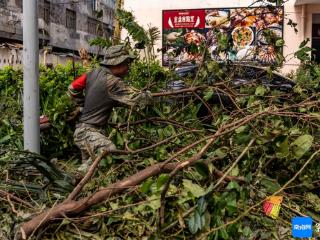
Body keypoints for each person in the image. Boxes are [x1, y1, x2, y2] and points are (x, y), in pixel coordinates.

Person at [68, 45, 152, 171]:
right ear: (117, 64)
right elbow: (140, 99)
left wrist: (82, 105)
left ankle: (75, 185)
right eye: (126, 63)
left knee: (91, 174)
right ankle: (71, 179)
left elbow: (72, 88)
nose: (128, 68)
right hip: (89, 133)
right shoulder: (112, 82)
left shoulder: (92, 73)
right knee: (108, 150)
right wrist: (149, 95)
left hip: (84, 131)